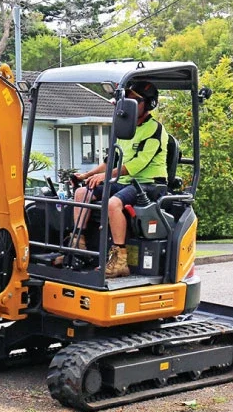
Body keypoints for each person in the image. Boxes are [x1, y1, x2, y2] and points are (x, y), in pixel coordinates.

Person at [69, 80, 168, 278]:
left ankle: (120, 259)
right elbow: (110, 162)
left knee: (113, 204)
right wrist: (86, 175)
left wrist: (104, 177)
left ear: (148, 105)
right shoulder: (124, 129)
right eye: (127, 99)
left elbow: (136, 166)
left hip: (149, 184)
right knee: (82, 193)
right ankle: (77, 247)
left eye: (134, 100)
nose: (128, 103)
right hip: (126, 182)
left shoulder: (155, 130)